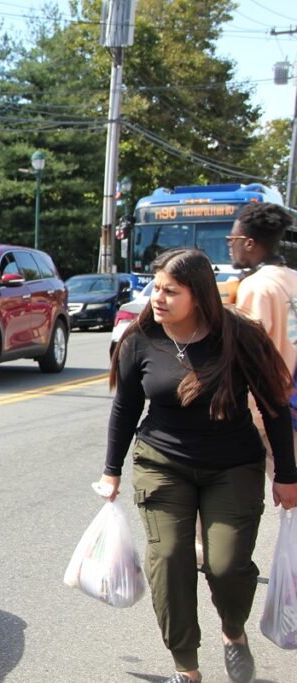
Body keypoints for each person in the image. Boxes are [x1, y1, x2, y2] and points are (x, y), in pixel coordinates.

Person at [102, 248, 297, 683]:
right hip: (162, 462)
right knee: (168, 557)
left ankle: (233, 631)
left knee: (226, 566)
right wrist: (111, 470)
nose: (158, 298)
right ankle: (185, 667)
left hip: (233, 465)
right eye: (156, 288)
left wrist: (287, 474)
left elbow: (275, 407)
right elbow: (125, 408)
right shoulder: (141, 338)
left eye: (171, 291)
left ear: (200, 295)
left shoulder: (240, 336)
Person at [229, 201, 297, 483]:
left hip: (269, 409)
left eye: (231, 240)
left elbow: (249, 355)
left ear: (248, 243)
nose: (229, 246)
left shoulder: (256, 287)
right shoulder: (293, 277)